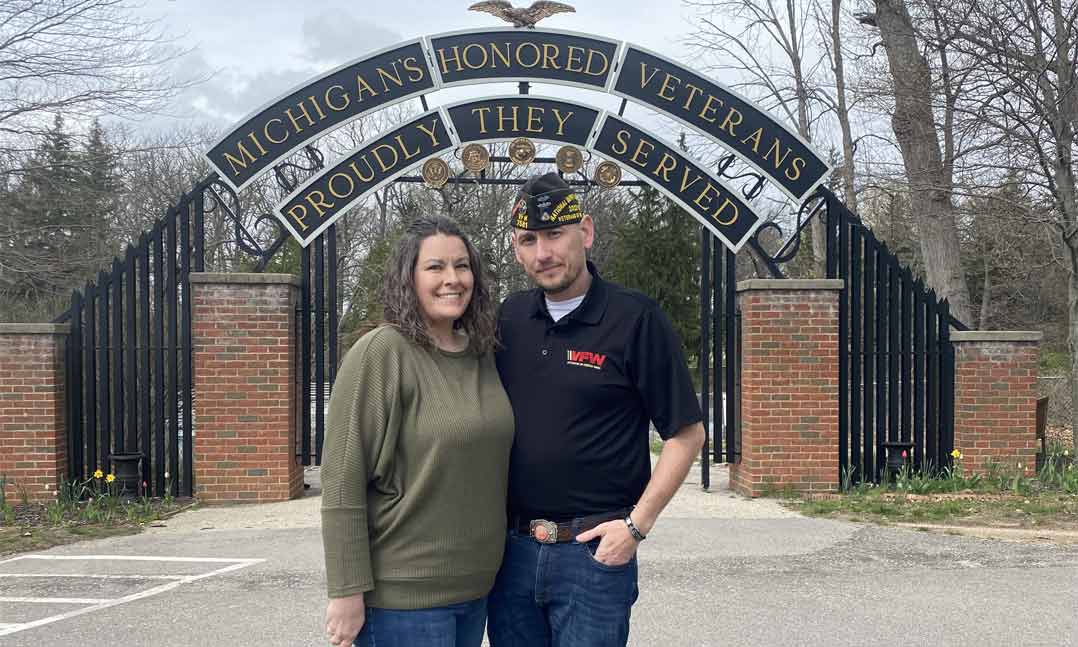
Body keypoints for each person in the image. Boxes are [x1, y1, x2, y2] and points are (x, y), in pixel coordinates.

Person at [488, 172, 706, 647]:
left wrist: (636, 526)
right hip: (510, 555)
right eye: (529, 240)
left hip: (593, 555)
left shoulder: (636, 319)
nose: (542, 253)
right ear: (515, 248)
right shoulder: (508, 319)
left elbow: (686, 434)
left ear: (584, 232)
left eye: (554, 234)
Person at [320, 215, 515, 647]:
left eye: (462, 266)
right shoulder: (381, 353)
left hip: (477, 591)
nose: (453, 279)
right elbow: (341, 482)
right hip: (403, 601)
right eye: (435, 267)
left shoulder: (484, 355)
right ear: (408, 277)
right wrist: (346, 590)